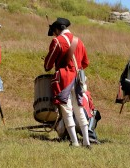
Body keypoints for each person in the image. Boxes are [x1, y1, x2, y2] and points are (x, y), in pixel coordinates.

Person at [44, 17, 91, 148]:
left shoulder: (57, 41)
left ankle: (75, 142)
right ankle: (86, 141)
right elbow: (85, 63)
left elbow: (47, 65)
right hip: (78, 79)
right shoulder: (79, 41)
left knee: (67, 110)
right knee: (80, 109)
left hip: (64, 79)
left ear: (58, 30)